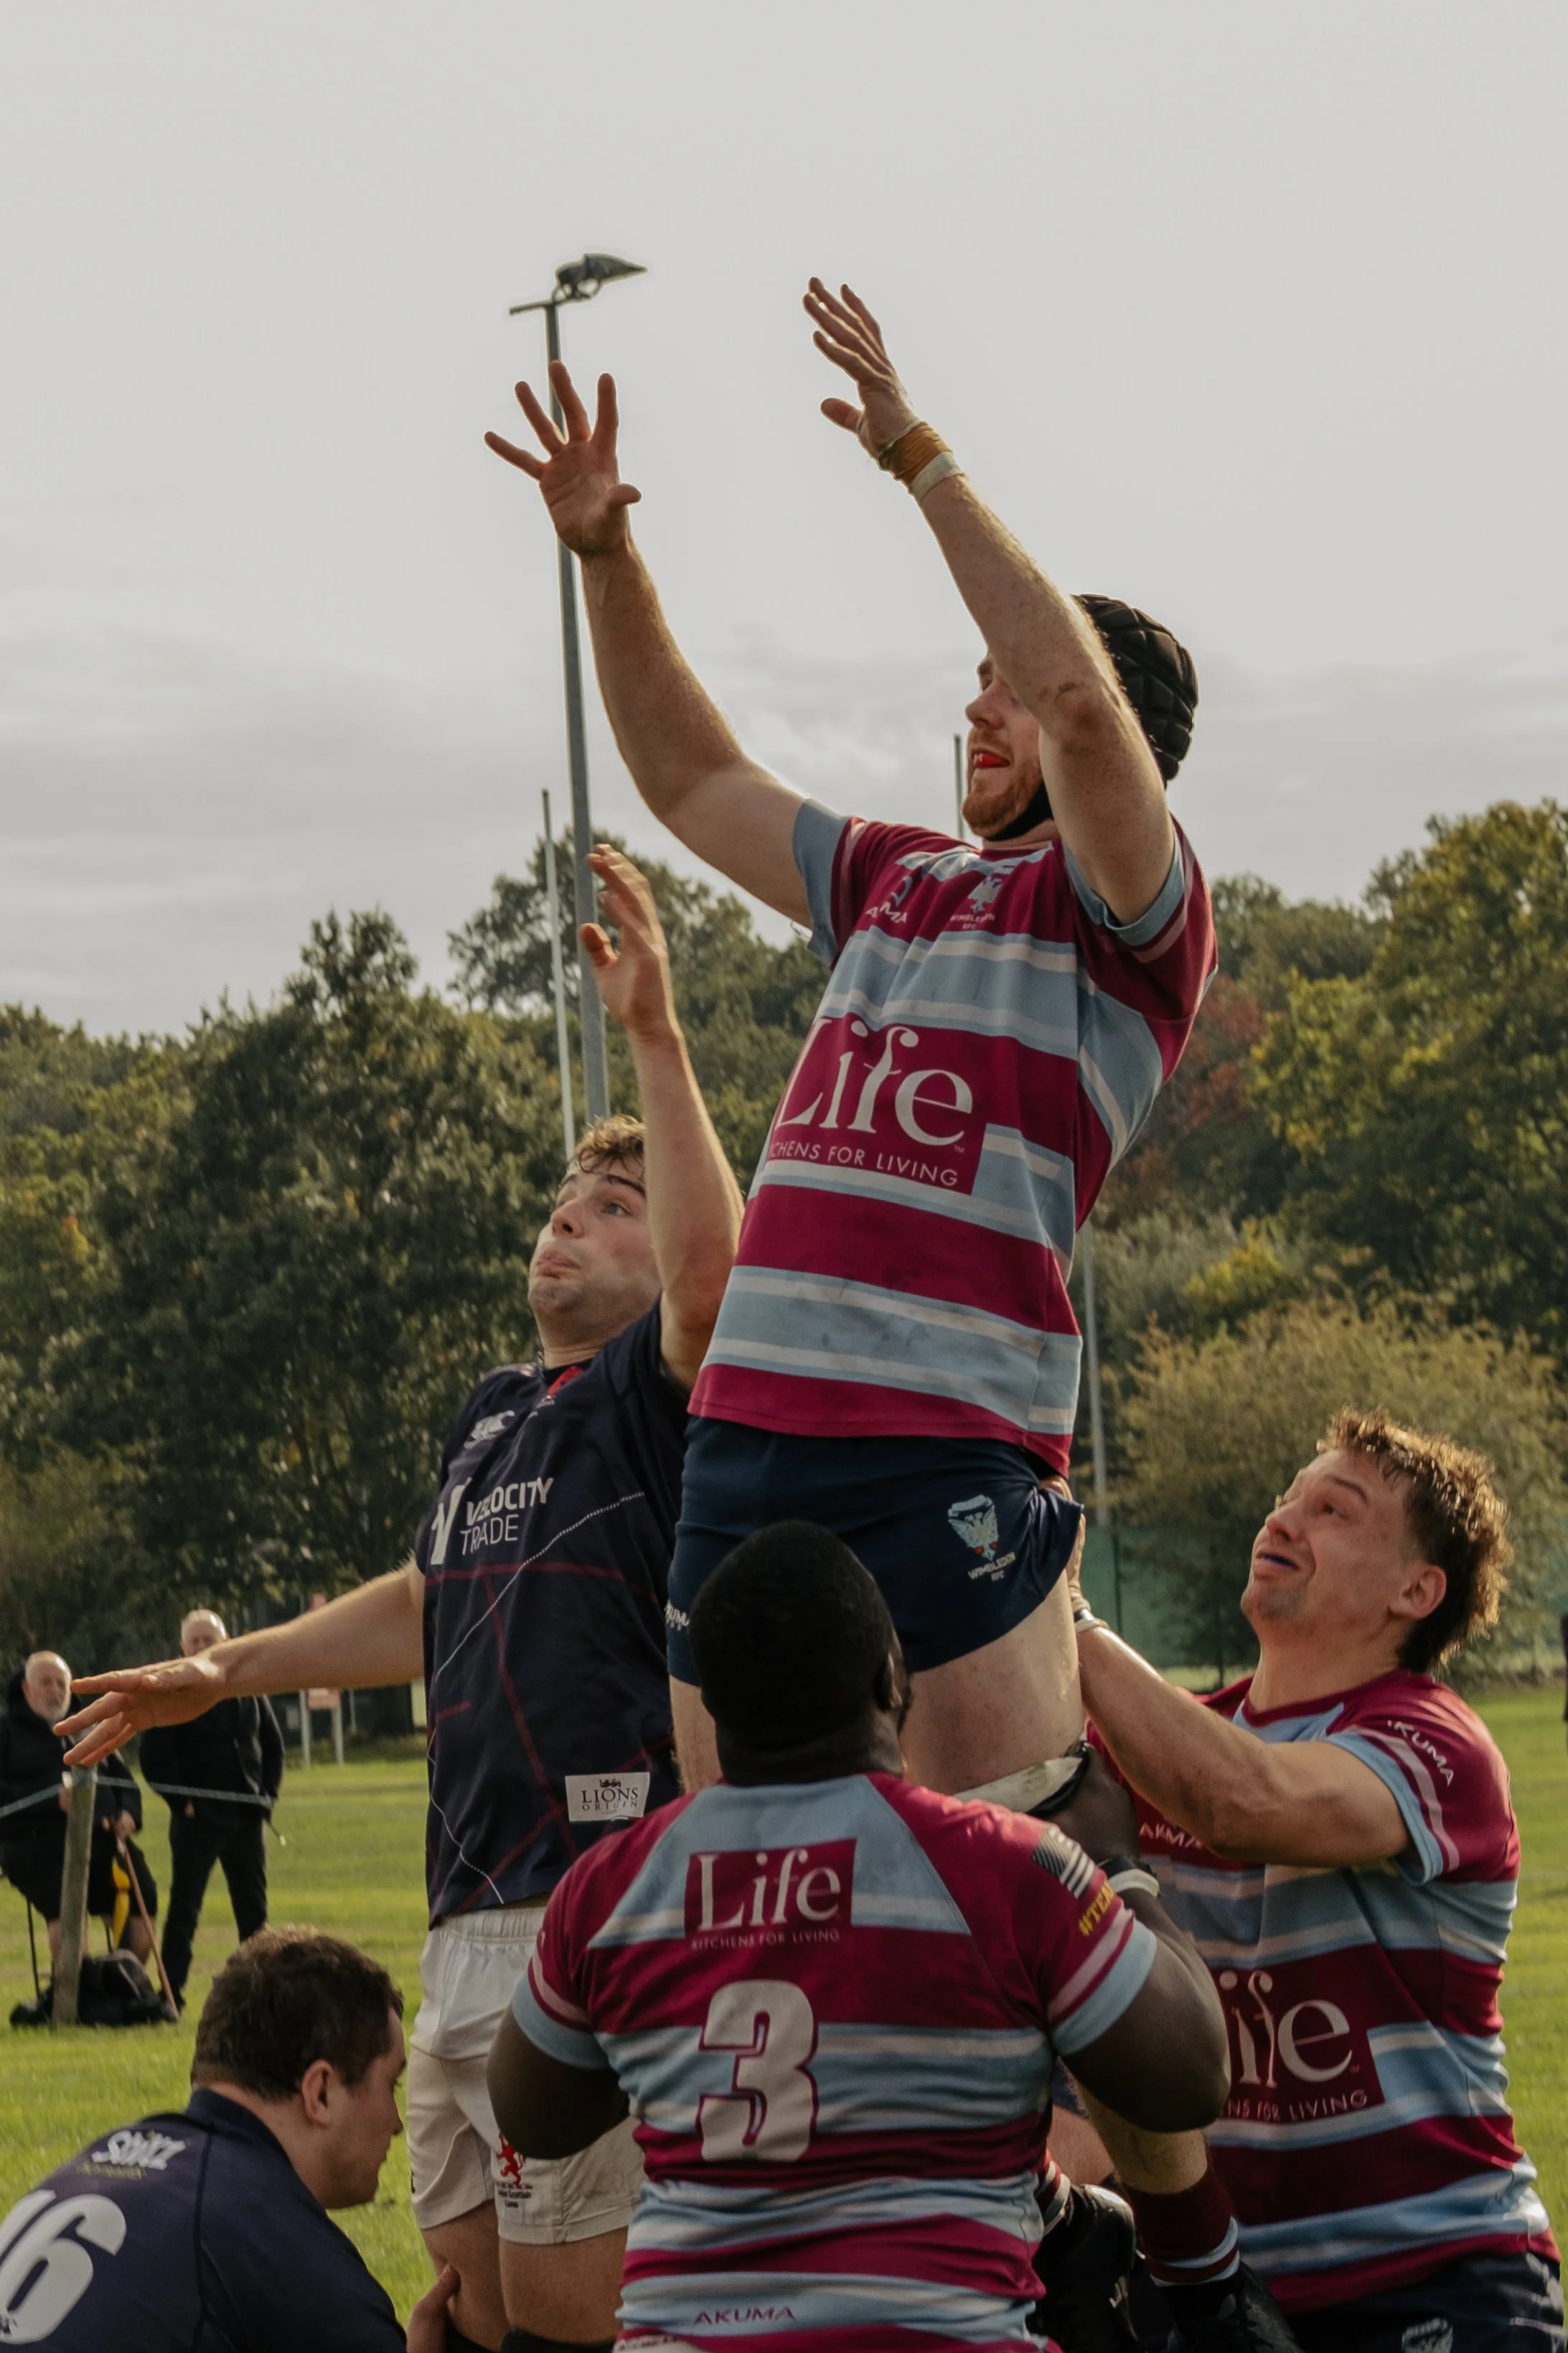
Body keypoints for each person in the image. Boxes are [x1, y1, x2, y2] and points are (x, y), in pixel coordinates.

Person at [484, 281, 1214, 1815]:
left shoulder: (1125, 914)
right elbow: (691, 780)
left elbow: (1081, 702)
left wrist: (917, 453)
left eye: (998, 679)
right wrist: (610, 559)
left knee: (988, 1894)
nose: (981, 703)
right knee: (744, 1884)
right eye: (974, 685)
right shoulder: (897, 876)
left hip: (943, 1444)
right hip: (746, 1438)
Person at [62, 849, 743, 2353]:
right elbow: (435, 1600)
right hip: (464, 1917)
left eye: (614, 1205)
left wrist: (657, 1034)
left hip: (597, 1896)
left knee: (582, 2319)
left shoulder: (655, 1397)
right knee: (482, 2311)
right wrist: (221, 1670)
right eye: (565, 1199)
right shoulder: (494, 1409)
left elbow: (713, 1278)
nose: (570, 1222)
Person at [486, 1519, 1231, 2353]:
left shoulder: (614, 1884)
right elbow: (1189, 2073)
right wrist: (1119, 1867)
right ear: (891, 1675)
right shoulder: (999, 1866)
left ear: (716, 1703)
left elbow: (533, 2116)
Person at [1069, 1408, 1563, 2352]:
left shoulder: (1433, 1743)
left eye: (1333, 1509)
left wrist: (1064, 1610)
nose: (1282, 1519)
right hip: (1216, 2290)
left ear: (1417, 1589)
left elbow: (1242, 1800)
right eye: (1287, 1498)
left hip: (1436, 2277)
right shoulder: (1152, 1748)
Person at [0, 1925, 457, 2350]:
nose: (398, 2122)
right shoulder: (271, 2233)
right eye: (390, 2085)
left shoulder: (95, 2164)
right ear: (320, 2092)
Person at [140, 1608, 284, 2010]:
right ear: (183, 1647)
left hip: (246, 1817)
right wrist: (182, 1803)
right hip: (196, 1822)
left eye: (211, 1640)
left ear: (226, 1642)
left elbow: (272, 1747)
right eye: (196, 1641)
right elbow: (154, 1761)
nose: (203, 1647)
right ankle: (170, 1997)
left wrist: (265, 1797)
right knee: (185, 1910)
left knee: (254, 1914)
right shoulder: (171, 1694)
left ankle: (260, 1997)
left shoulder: (247, 1688)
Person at [0, 1649, 156, 1976]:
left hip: (101, 1840)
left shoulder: (87, 1728)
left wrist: (129, 1812)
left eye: (61, 1683)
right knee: (65, 1909)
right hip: (34, 1845)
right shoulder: (6, 1733)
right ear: (26, 1689)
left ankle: (118, 1985)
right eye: (45, 1683)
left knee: (145, 1899)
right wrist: (50, 1801)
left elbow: (123, 1782)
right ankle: (72, 1993)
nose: (55, 1691)